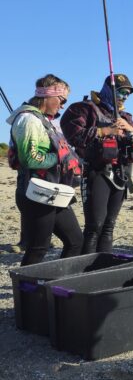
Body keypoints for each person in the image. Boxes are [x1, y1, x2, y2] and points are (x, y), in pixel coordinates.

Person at [61, 73, 133, 253]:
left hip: (121, 174)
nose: (125, 97)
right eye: (121, 92)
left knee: (108, 226)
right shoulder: (84, 109)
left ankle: (104, 266)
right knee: (94, 226)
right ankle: (86, 268)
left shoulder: (125, 117)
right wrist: (105, 130)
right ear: (109, 90)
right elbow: (72, 132)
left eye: (128, 94)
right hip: (96, 173)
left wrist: (132, 130)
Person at [7, 74, 82, 265]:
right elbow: (30, 159)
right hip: (36, 193)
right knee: (39, 247)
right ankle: (26, 292)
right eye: (62, 100)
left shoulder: (44, 121)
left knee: (75, 241)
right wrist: (61, 160)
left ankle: (57, 286)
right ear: (47, 96)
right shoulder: (28, 120)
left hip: (52, 191)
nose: (63, 105)